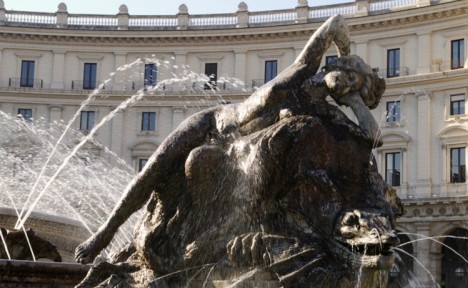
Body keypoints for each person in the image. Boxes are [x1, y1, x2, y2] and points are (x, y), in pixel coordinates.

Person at [75, 14, 384, 265]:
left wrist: (355, 99)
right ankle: (105, 233)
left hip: (235, 159)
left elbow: (372, 137)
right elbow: (336, 23)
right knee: (152, 170)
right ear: (336, 65)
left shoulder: (323, 114)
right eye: (348, 75)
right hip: (216, 122)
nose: (347, 83)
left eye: (353, 86)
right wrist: (349, 57)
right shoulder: (303, 69)